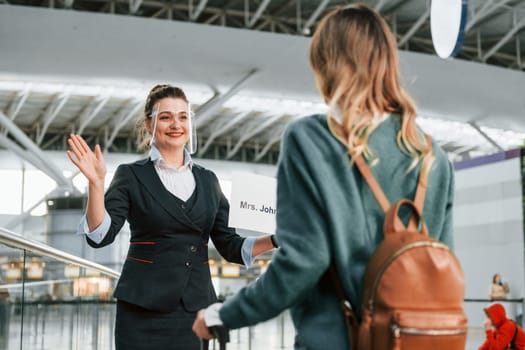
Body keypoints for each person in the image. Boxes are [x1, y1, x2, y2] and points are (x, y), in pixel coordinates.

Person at [192, 3, 455, 349]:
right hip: (413, 340)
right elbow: (441, 265)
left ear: (326, 64)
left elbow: (303, 261)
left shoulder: (313, 139)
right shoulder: (433, 156)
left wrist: (221, 316)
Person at [66, 84, 277, 350]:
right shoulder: (131, 175)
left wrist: (276, 239)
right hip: (142, 307)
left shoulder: (209, 180)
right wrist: (96, 184)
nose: (176, 124)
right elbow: (100, 235)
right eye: (165, 117)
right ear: (149, 123)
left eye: (183, 116)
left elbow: (232, 246)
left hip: (194, 309)